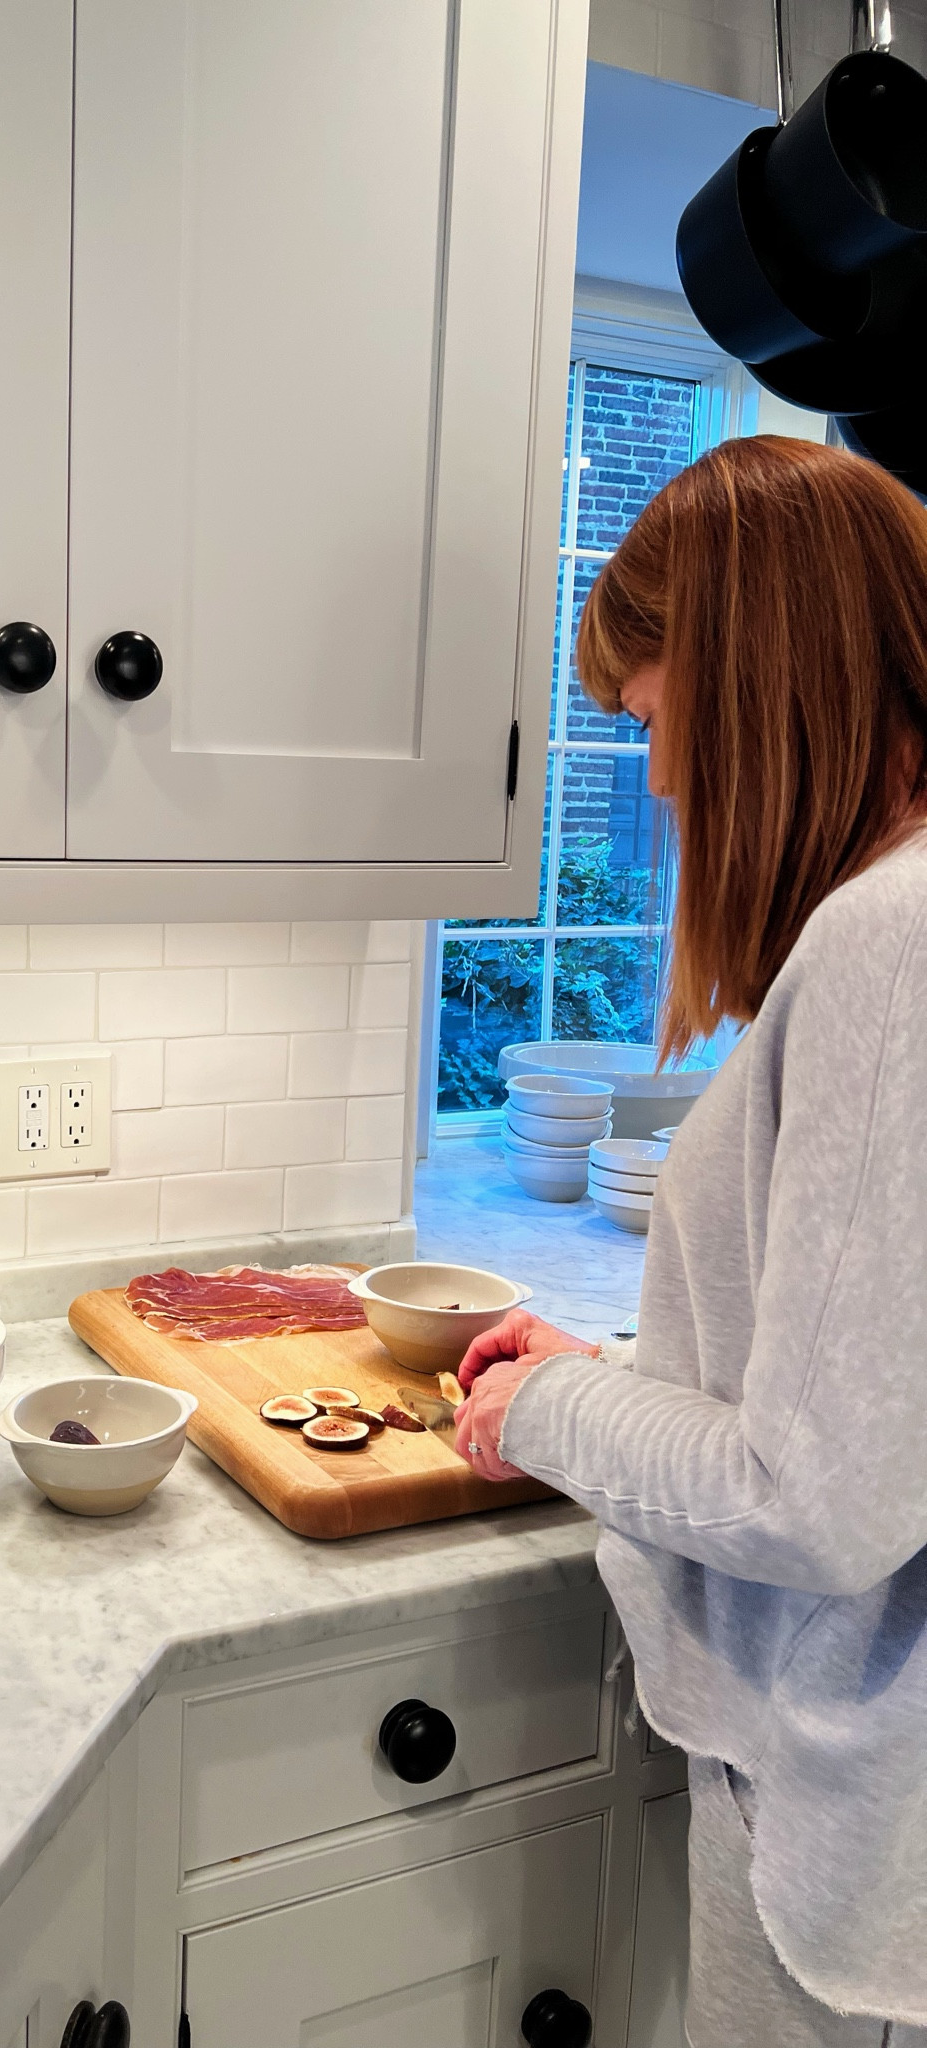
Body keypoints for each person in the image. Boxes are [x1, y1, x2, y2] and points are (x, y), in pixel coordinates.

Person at [452, 437, 927, 2048]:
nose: (654, 778)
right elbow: (868, 1382)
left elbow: (818, 1495)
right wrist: (620, 1376)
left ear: (758, 678)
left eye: (656, 717)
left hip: (858, 1855)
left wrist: (544, 1411)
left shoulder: (888, 947)